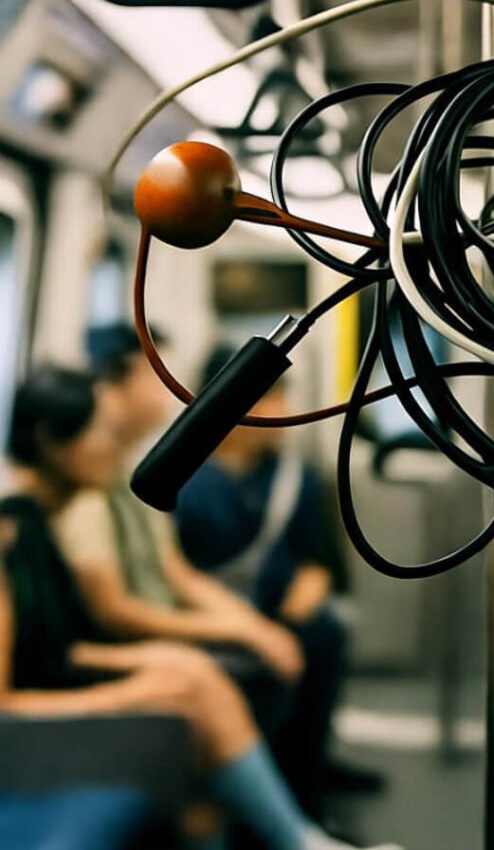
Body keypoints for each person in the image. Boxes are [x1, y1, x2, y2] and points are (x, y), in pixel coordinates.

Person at [0, 364, 399, 850]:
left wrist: (170, 665)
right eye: (98, 432)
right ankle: (298, 840)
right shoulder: (9, 535)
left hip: (58, 675)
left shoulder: (40, 520)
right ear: (49, 439)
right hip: (19, 728)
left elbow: (53, 648)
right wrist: (139, 690)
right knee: (188, 694)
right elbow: (7, 698)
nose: (113, 445)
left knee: (193, 699)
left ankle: (291, 833)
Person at [175, 344, 378, 817]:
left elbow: (315, 561)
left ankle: (309, 779)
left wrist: (293, 616)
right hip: (213, 618)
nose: (284, 410)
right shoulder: (186, 480)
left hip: (282, 612)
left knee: (321, 635)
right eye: (271, 397)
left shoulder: (292, 478)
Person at [55, 324, 304, 706]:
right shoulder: (88, 484)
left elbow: (176, 573)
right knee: (257, 668)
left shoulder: (133, 472)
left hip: (169, 620)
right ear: (113, 384)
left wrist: (249, 625)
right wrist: (235, 630)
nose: (168, 393)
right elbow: (114, 611)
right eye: (155, 378)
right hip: (135, 641)